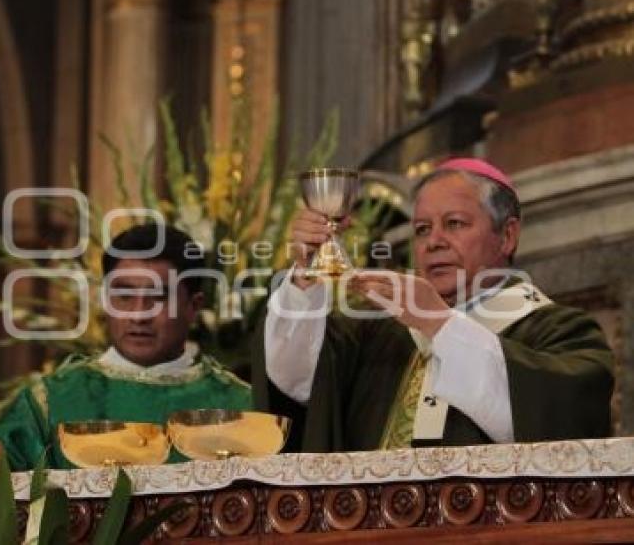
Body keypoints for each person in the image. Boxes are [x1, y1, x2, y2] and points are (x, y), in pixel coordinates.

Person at [254, 158, 614, 452]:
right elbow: (295, 378)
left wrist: (440, 325)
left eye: (454, 224)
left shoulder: (562, 333)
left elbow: (560, 435)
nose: (433, 242)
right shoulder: (379, 335)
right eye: (423, 229)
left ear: (507, 235)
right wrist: (306, 272)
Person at [0, 223, 251, 471]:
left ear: (194, 306)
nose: (138, 314)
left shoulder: (238, 406)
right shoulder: (54, 399)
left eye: (157, 297)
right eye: (124, 296)